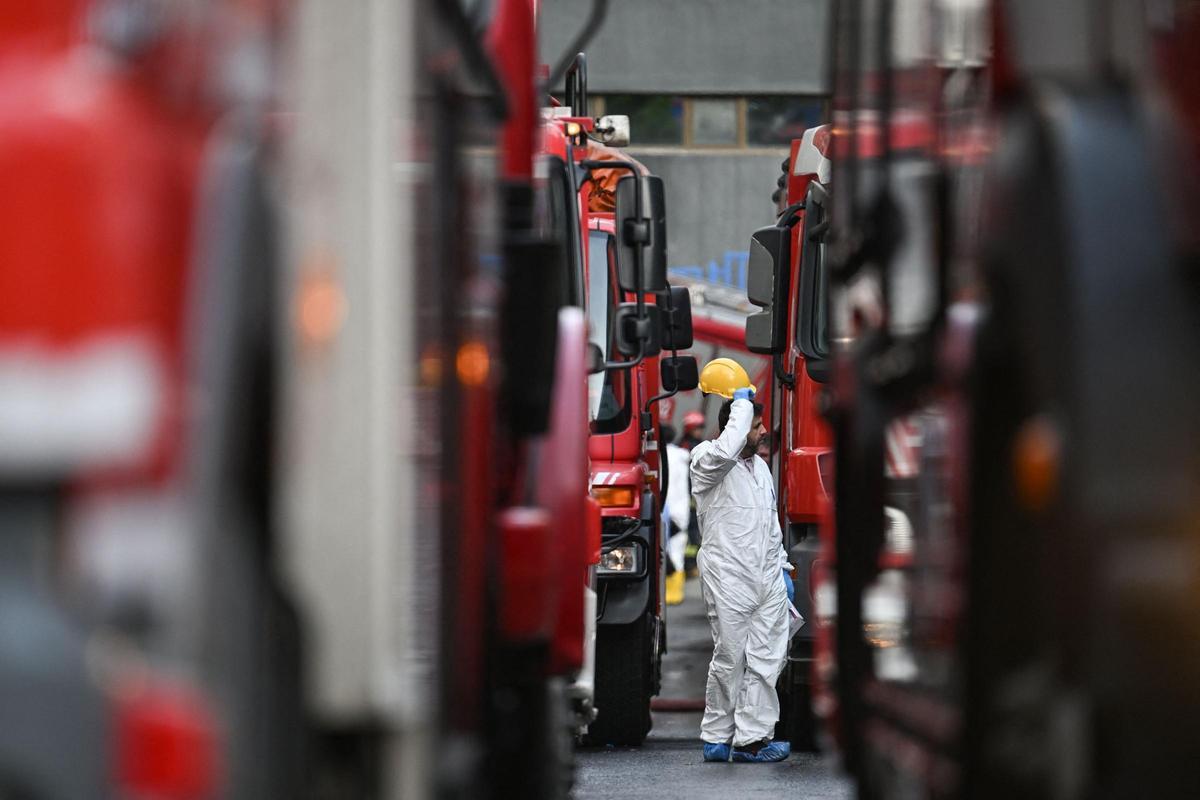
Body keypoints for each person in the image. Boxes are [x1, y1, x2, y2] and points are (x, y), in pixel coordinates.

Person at [690, 389, 791, 763]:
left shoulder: (760, 468)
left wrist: (782, 568)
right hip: (728, 575)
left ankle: (752, 740)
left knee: (767, 659)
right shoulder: (705, 460)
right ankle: (717, 735)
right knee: (730, 657)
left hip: (766, 578)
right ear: (736, 425)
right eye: (756, 426)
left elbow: (769, 524)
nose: (763, 432)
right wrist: (742, 407)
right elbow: (724, 450)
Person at [661, 425, 691, 605]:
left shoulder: (658, 455)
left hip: (663, 507)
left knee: (662, 549)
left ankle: (665, 589)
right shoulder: (682, 455)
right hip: (681, 509)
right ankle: (675, 592)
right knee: (678, 549)